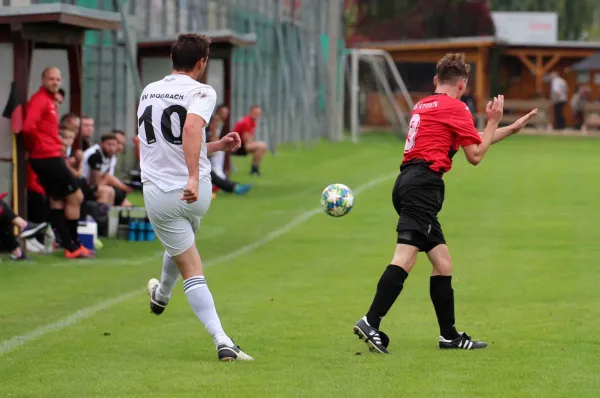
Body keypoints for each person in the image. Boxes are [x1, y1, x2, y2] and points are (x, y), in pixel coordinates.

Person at [352, 53, 538, 353]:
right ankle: (370, 320)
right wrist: (493, 121)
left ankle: (449, 335)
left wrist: (509, 129)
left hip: (406, 184)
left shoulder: (424, 105)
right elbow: (475, 155)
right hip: (424, 187)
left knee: (442, 262)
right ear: (463, 85)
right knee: (405, 257)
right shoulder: (457, 108)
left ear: (436, 81)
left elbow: (471, 138)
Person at [138, 33, 253, 362]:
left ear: (172, 58)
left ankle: (216, 336)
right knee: (183, 250)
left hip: (162, 193)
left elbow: (170, 138)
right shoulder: (202, 90)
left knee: (187, 260)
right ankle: (167, 298)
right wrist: (194, 173)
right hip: (196, 191)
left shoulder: (149, 91)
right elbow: (189, 130)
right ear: (202, 62)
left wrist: (214, 149)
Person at [23, 66, 93, 259]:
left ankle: (71, 246)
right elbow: (28, 127)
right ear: (43, 79)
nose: (55, 82)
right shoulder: (40, 100)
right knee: (75, 196)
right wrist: (34, 148)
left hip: (47, 156)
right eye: (51, 79)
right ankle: (73, 244)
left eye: (58, 79)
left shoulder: (48, 101)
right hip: (47, 156)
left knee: (58, 201)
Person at [207, 108, 252, 196]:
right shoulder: (210, 126)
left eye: (227, 113)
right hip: (208, 158)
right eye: (223, 113)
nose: (226, 115)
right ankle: (234, 187)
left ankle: (234, 187)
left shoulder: (221, 125)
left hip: (209, 158)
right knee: (212, 172)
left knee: (212, 173)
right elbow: (211, 143)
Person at [232, 105, 267, 176]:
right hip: (235, 147)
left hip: (240, 145)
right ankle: (254, 169)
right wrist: (254, 145)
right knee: (261, 146)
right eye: (255, 113)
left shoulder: (252, 121)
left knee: (261, 147)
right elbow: (246, 140)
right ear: (251, 112)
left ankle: (255, 169)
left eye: (259, 113)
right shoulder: (247, 122)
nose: (257, 115)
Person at [107, 129, 133, 207]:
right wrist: (126, 188)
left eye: (122, 144)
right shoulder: (99, 154)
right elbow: (106, 178)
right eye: (118, 143)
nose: (120, 147)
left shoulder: (113, 158)